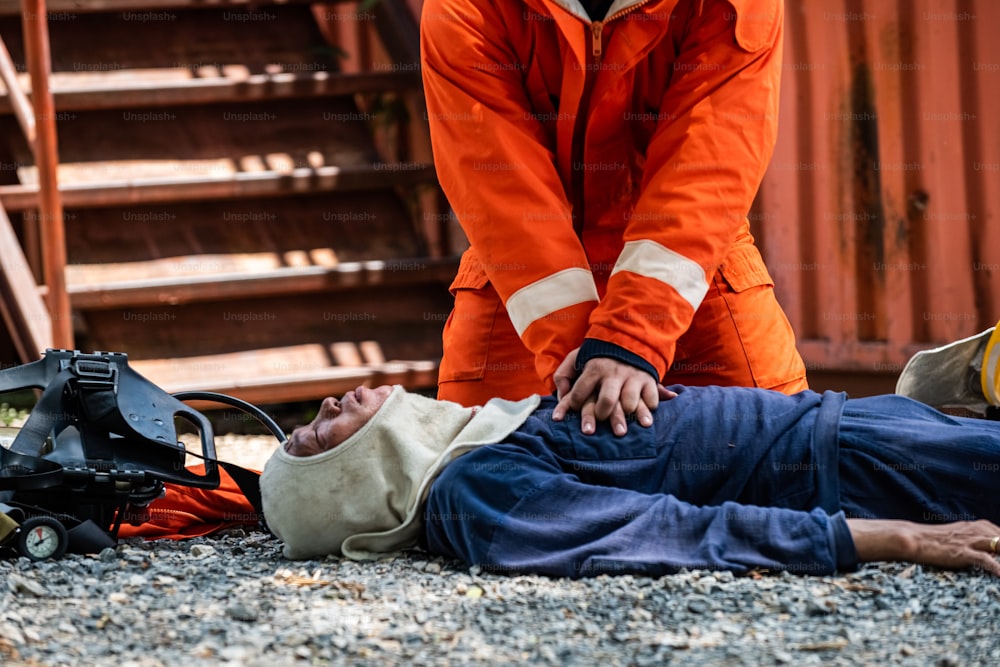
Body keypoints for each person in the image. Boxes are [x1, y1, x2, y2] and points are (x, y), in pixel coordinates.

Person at [259, 325, 1000, 578]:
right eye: (312, 439)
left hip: (852, 431)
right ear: (348, 486)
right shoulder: (473, 490)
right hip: (854, 463)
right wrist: (897, 539)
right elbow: (668, 533)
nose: (326, 406)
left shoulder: (478, 445)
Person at [420, 0, 807, 433]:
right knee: (473, 478)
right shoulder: (469, 8)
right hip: (523, 288)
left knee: (782, 457)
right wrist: (589, 363)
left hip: (691, 277)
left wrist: (630, 337)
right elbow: (503, 194)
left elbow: (708, 165)